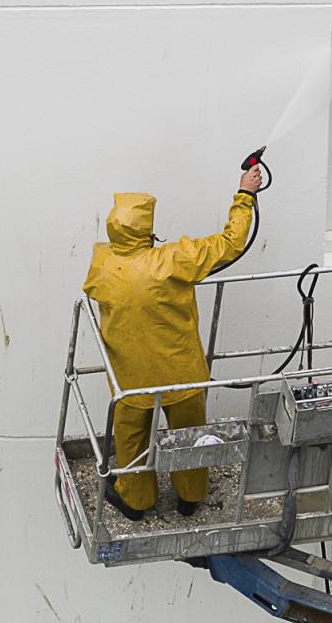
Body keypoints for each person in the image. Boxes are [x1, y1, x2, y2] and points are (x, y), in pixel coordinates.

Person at [83, 165, 264, 521]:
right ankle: (190, 497)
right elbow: (231, 242)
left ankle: (136, 502)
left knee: (131, 441)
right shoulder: (172, 261)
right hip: (182, 376)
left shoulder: (102, 264)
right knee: (189, 436)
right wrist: (246, 195)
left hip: (130, 380)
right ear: (148, 229)